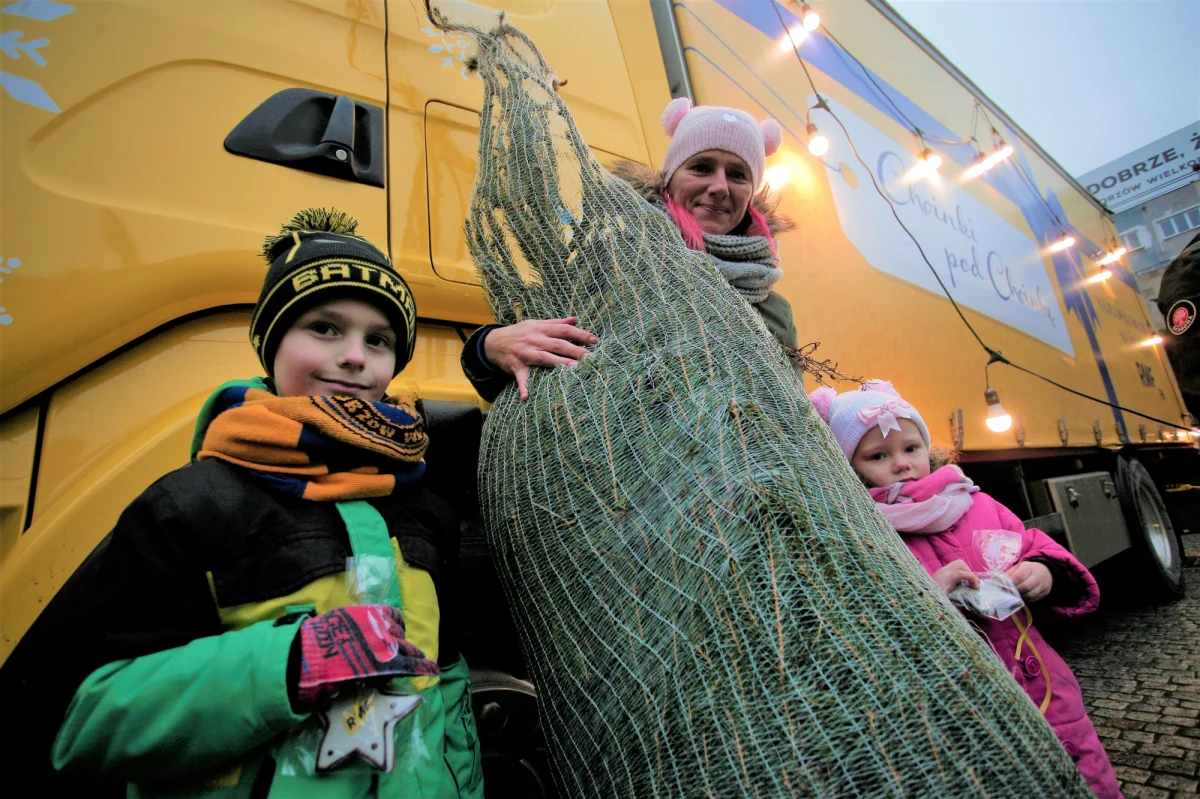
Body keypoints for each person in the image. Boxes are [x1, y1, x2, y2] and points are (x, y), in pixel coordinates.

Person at [51, 209, 484, 798]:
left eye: (378, 340)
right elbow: (85, 723)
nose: (355, 356)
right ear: (271, 346)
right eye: (324, 328)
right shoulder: (192, 506)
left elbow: (448, 688)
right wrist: (287, 664)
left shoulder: (423, 505)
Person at [810, 379, 1123, 799]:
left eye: (910, 448)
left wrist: (1042, 573)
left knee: (1089, 779)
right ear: (850, 467)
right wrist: (928, 595)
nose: (901, 463)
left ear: (926, 447)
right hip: (963, 710)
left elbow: (1033, 546)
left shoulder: (976, 502)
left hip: (1046, 689)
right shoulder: (868, 532)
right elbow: (870, 618)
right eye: (878, 456)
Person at [461, 97, 798, 402]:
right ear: (669, 180)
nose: (720, 186)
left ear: (750, 194)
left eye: (738, 175)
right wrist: (488, 347)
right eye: (702, 167)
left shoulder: (772, 309)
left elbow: (791, 421)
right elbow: (521, 370)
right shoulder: (608, 258)